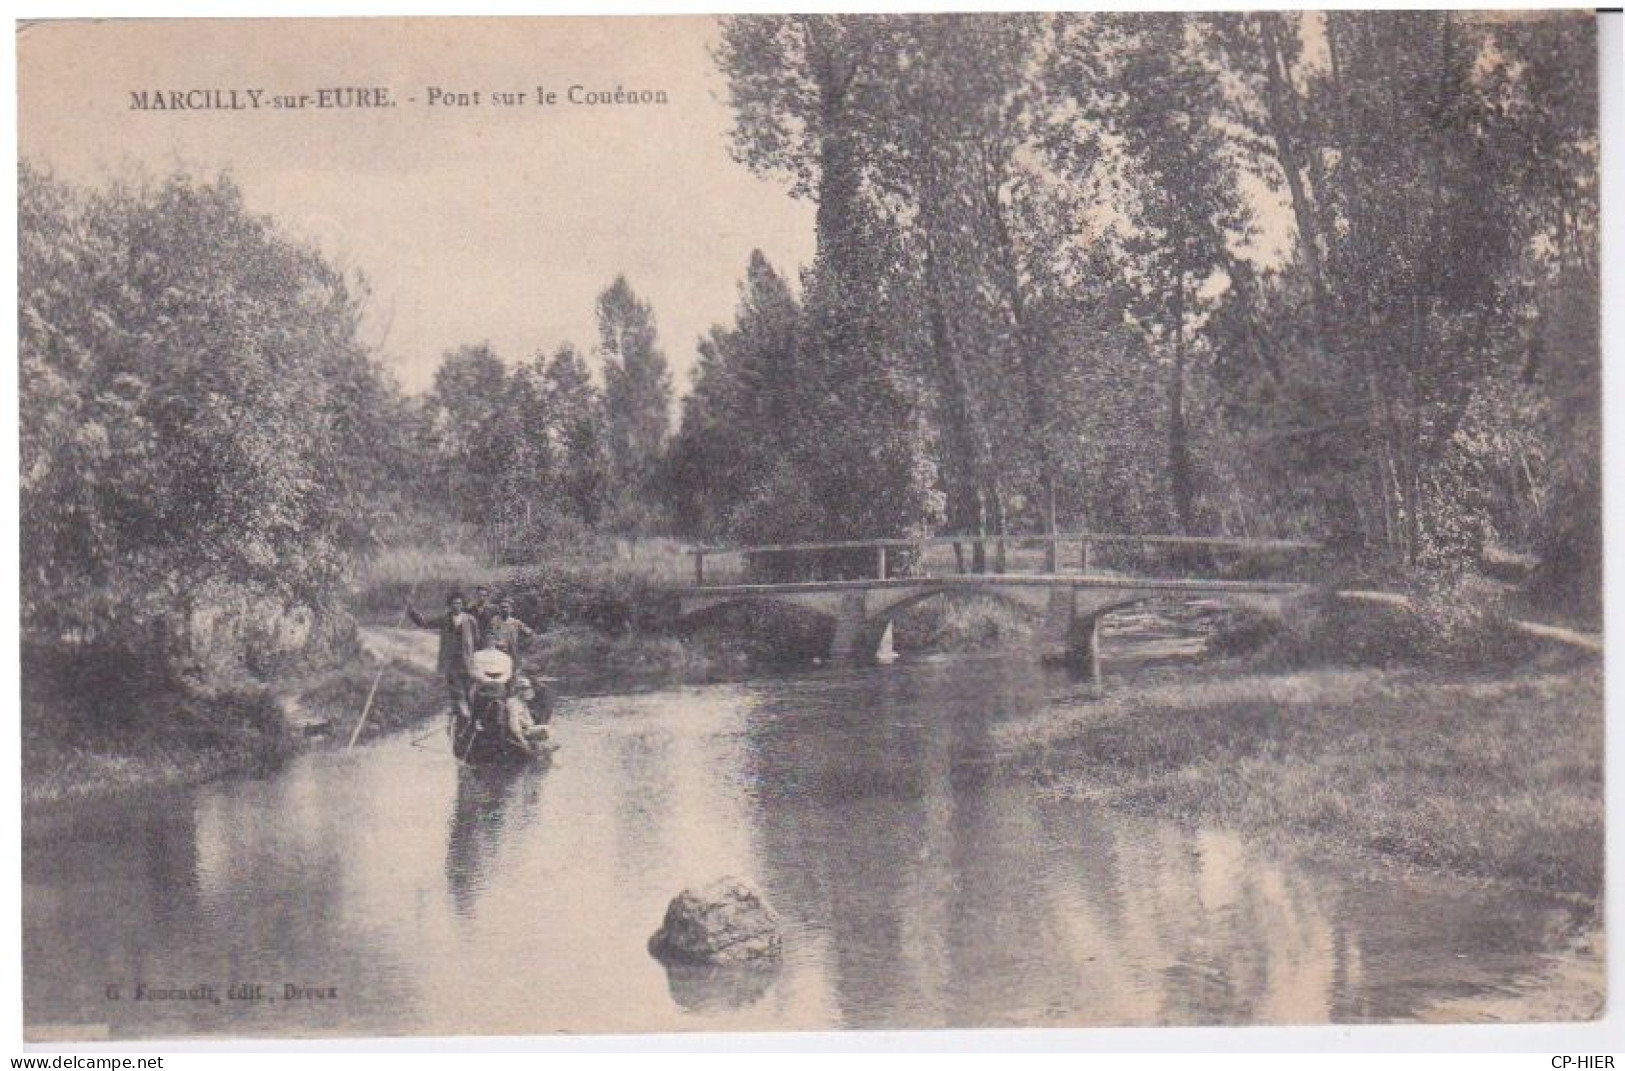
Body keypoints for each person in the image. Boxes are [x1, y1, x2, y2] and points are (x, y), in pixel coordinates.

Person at [407, 591, 478, 719]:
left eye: (459, 603)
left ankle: (472, 717)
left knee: (469, 689)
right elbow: (424, 624)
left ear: (463, 605)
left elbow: (477, 639)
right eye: (454, 603)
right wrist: (412, 611)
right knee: (456, 689)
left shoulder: (470, 620)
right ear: (449, 605)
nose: (456, 606)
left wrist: (476, 656)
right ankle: (461, 715)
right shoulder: (444, 619)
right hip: (450, 660)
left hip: (467, 660)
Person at [484, 596, 538, 673]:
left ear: (511, 609)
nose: (504, 609)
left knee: (512, 675)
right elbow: (488, 635)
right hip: (497, 655)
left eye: (506, 607)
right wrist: (496, 643)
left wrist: (527, 640)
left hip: (512, 654)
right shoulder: (494, 621)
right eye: (502, 607)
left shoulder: (515, 622)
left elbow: (529, 633)